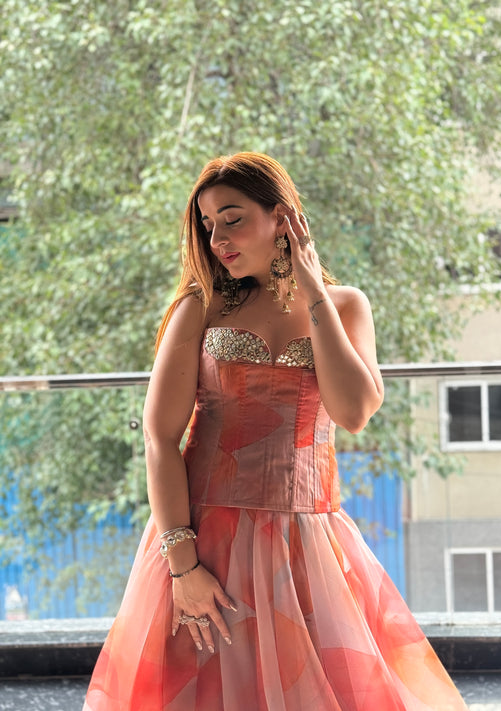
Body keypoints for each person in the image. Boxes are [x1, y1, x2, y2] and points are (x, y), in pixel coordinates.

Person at [84, 152, 467, 710]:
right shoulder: (202, 306)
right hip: (206, 539)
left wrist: (314, 293)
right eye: (208, 225)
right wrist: (183, 567)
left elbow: (354, 411)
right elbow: (159, 438)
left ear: (281, 216)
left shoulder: (345, 305)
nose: (217, 239)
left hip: (307, 543)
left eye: (232, 218)